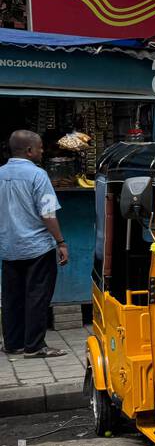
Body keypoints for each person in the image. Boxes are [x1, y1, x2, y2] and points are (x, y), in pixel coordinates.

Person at [1, 130, 69, 358]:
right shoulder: (37, 175)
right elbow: (48, 213)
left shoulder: (0, 174)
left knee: (13, 297)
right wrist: (60, 242)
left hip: (9, 247)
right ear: (29, 151)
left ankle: (12, 343)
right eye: (40, 148)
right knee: (37, 296)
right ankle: (35, 345)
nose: (42, 151)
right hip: (37, 247)